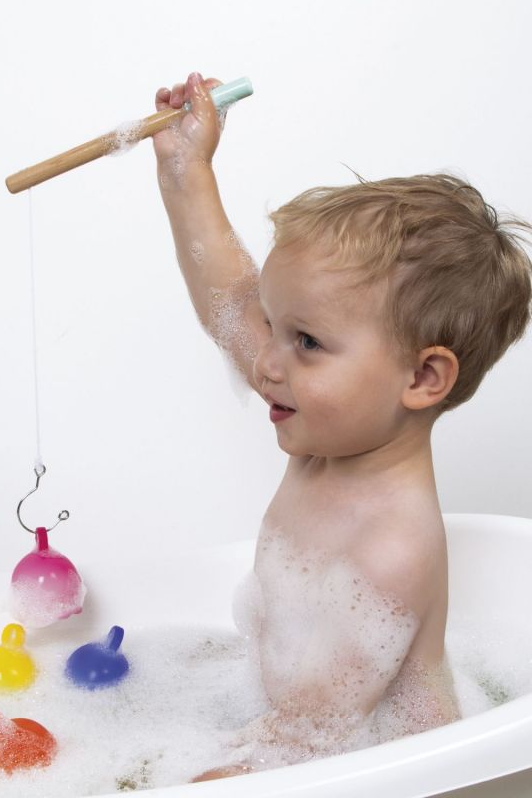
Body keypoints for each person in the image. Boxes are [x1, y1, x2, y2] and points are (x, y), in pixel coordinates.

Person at [152, 72, 532, 778]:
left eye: (306, 341)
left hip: (409, 776)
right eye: (276, 325)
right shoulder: (327, 435)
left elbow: (305, 740)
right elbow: (229, 298)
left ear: (423, 378)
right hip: (305, 736)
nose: (267, 360)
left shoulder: (392, 545)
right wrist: (186, 171)